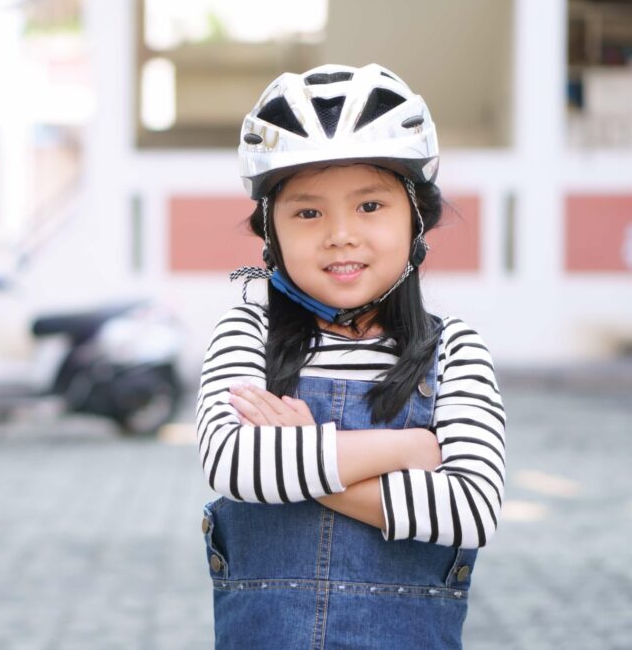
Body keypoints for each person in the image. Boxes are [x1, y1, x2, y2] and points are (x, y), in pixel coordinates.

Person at [195, 63, 506, 649]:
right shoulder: (246, 336)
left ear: (416, 218)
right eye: (308, 212)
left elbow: (469, 509)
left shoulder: (454, 349)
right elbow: (234, 464)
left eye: (370, 207)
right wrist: (408, 447)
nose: (340, 234)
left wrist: (297, 458)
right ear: (270, 231)